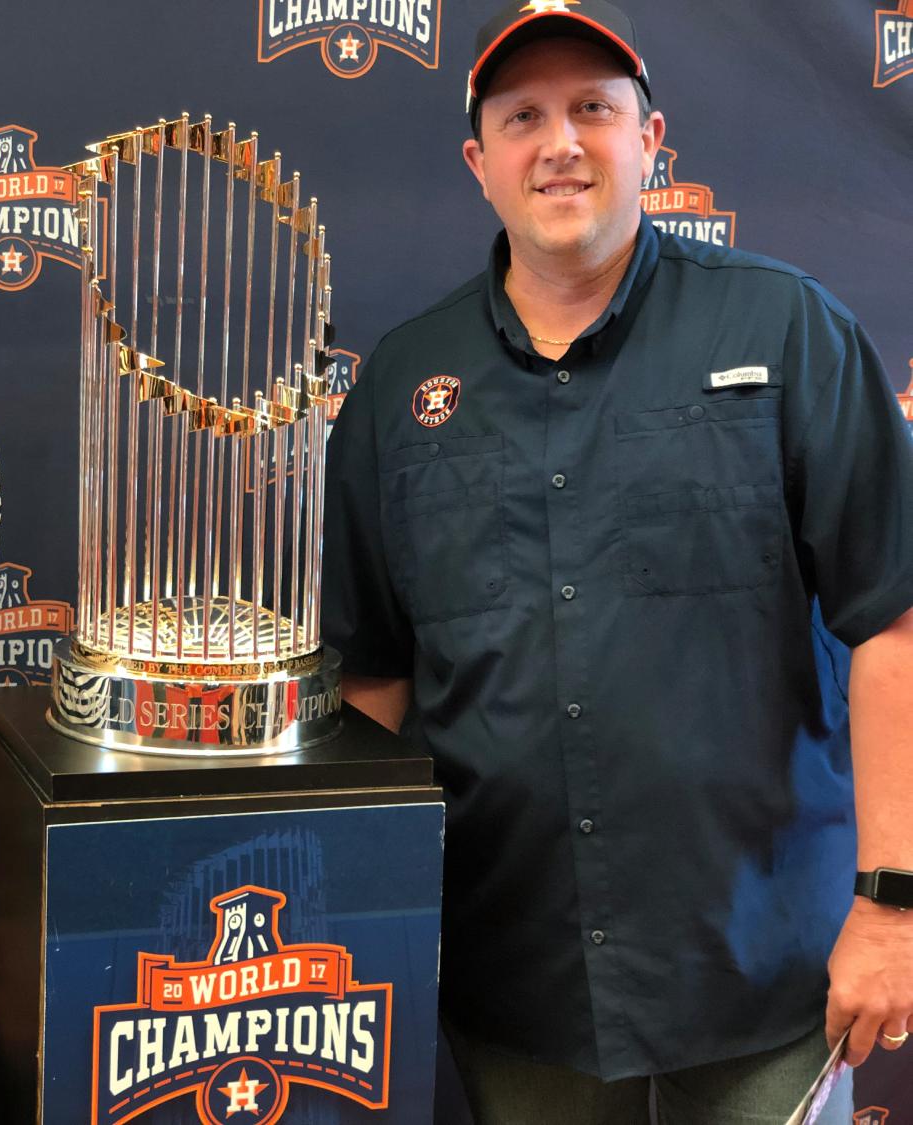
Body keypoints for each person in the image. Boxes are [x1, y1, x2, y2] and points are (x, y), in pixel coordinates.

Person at [322, 1, 913, 1121]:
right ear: (477, 162)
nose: (560, 143)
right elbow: (372, 681)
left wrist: (892, 905)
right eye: (524, 116)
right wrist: (369, 925)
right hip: (514, 970)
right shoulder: (405, 385)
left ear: (651, 141)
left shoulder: (787, 332)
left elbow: (896, 623)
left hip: (764, 965)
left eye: (594, 109)